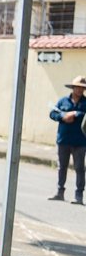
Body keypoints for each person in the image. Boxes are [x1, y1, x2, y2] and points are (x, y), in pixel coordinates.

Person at [48, 75, 86, 204]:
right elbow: (53, 113)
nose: (80, 90)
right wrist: (63, 117)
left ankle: (79, 195)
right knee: (61, 167)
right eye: (78, 87)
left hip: (80, 141)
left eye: (82, 88)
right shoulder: (63, 101)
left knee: (79, 168)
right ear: (73, 88)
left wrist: (75, 113)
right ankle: (60, 192)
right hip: (63, 140)